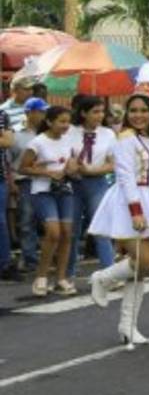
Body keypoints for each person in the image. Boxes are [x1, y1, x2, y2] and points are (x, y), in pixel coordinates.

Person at [87, 61, 149, 346]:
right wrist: (136, 211)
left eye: (144, 110)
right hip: (127, 203)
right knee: (146, 261)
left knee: (141, 267)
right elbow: (124, 177)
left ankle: (128, 325)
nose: (138, 115)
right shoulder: (125, 138)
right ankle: (103, 278)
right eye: (133, 110)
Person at [20, 105, 79, 296]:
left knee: (67, 233)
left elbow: (73, 164)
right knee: (53, 232)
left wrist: (72, 168)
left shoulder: (69, 140)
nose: (66, 125)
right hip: (42, 191)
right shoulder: (37, 142)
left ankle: (61, 279)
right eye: (62, 121)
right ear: (49, 122)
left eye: (68, 122)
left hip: (65, 190)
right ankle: (41, 277)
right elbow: (22, 168)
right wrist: (46, 172)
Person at [66, 95, 116, 275]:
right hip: (73, 183)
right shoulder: (70, 131)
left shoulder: (108, 134)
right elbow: (62, 155)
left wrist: (91, 170)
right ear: (83, 113)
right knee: (72, 230)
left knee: (101, 228)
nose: (100, 115)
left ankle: (109, 271)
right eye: (95, 112)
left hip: (97, 182)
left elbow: (112, 164)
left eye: (102, 112)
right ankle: (68, 272)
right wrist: (72, 166)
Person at [10, 97, 47, 273]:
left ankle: (50, 257)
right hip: (24, 180)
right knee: (26, 221)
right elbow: (9, 160)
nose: (43, 115)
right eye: (40, 111)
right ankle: (30, 258)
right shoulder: (15, 133)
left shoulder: (48, 132)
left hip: (47, 179)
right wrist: (12, 182)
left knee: (49, 221)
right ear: (28, 112)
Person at [0, 102, 16, 281]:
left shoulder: (2, 115)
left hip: (0, 176)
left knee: (1, 222)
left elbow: (8, 141)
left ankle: (4, 264)